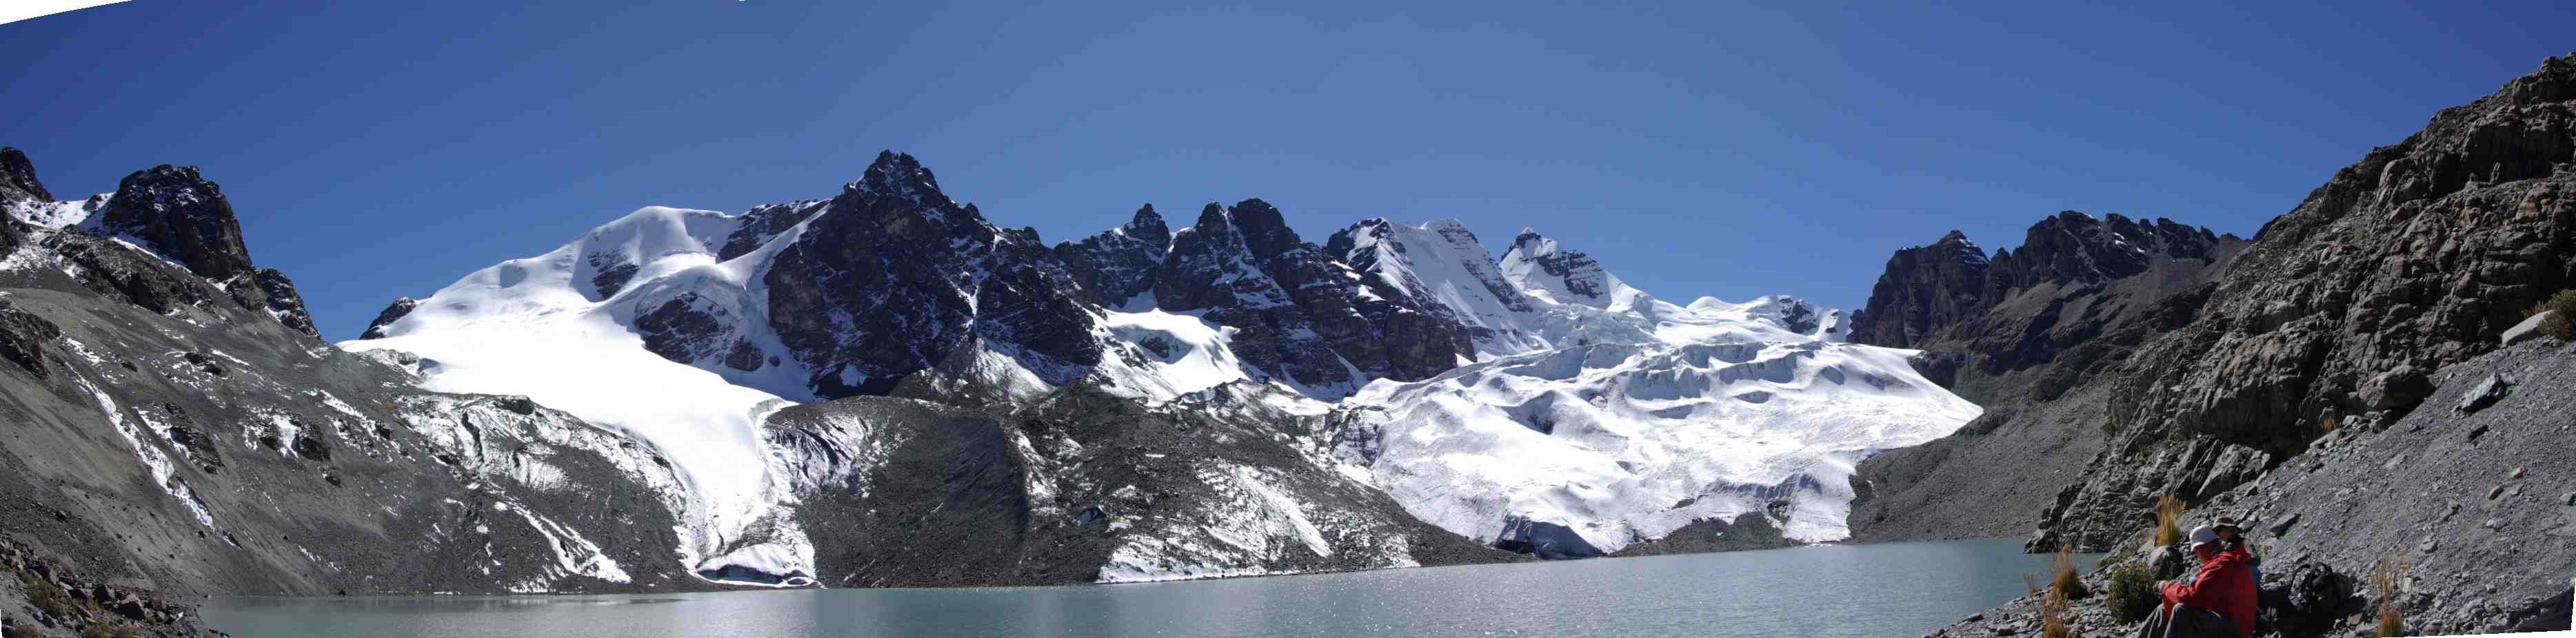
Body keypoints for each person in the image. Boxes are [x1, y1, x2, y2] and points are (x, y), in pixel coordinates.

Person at [2134, 519, 2258, 638]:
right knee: (2165, 608)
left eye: (2196, 552)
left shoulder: (2219, 565)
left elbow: (2192, 598)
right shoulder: (2225, 560)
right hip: (2231, 623)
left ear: (2200, 548)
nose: (2197, 556)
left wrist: (2165, 587)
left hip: (2236, 631)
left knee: (2181, 610)